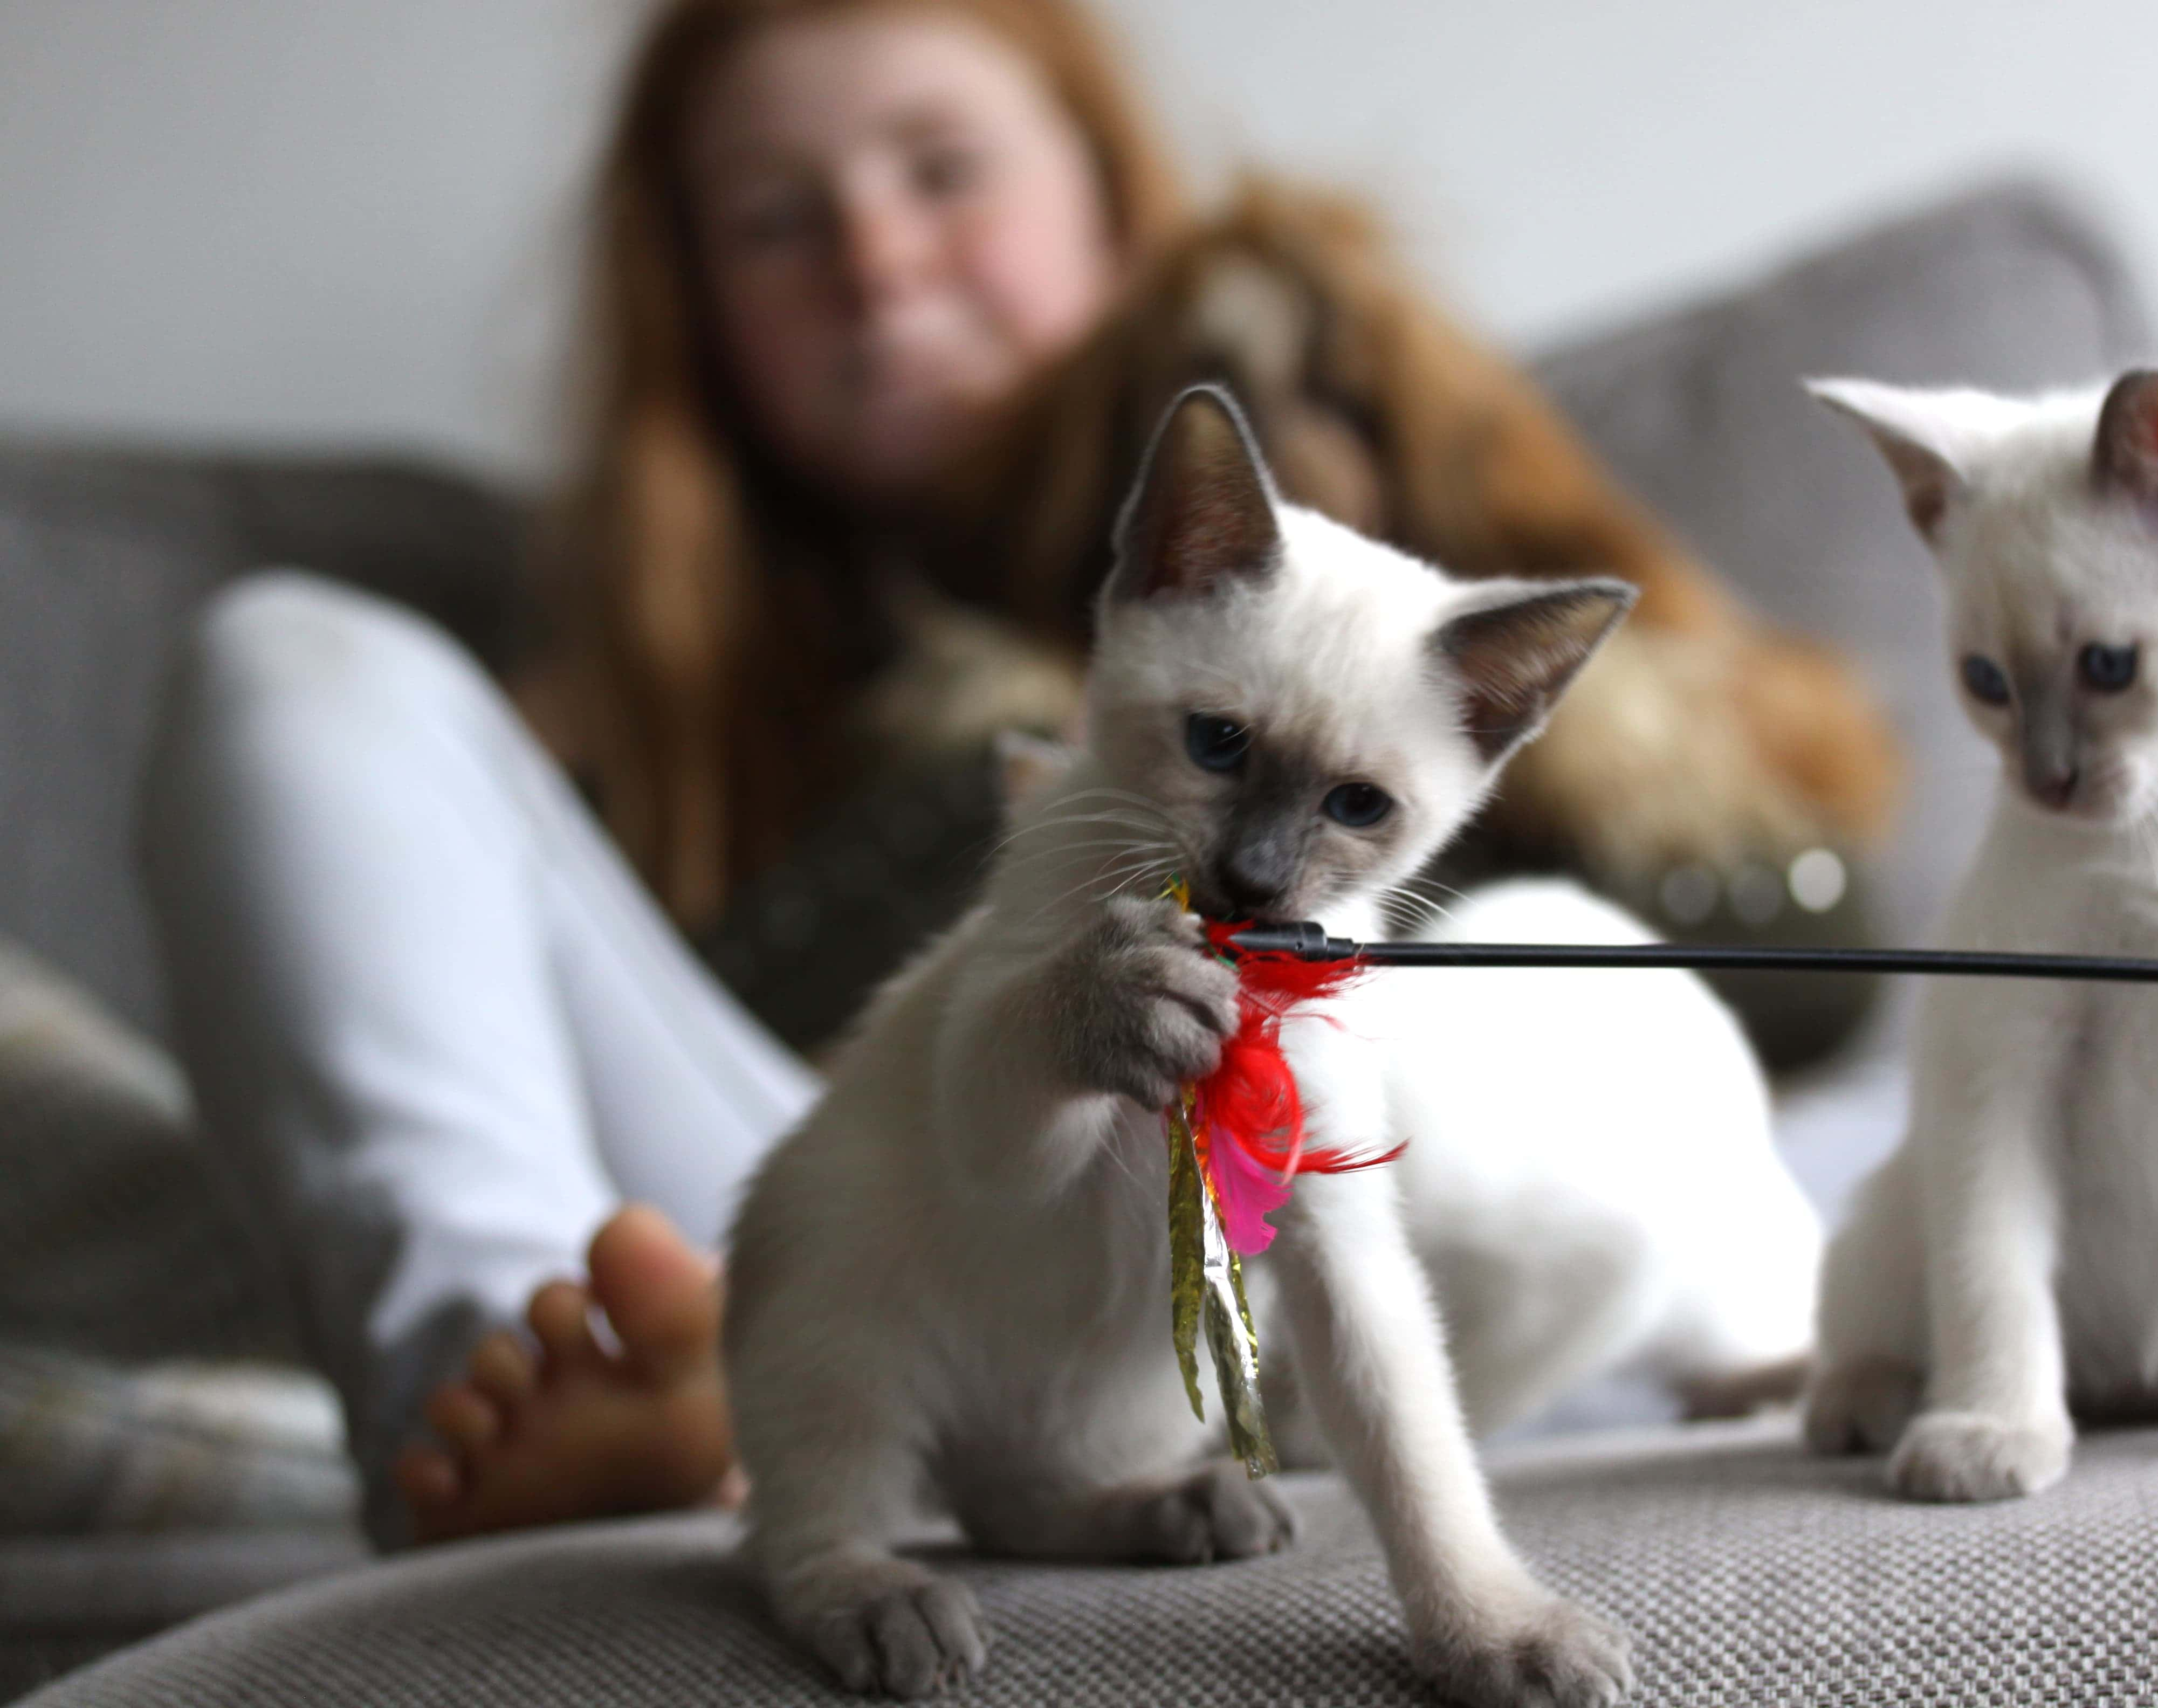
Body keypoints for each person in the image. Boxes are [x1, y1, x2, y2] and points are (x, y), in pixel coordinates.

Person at [141, 0, 1896, 1549]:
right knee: (295, 665)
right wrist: (1037, 865)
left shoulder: (1355, 454)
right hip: (875, 1199)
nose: (875, 256)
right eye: (775, 220)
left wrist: (1297, 917)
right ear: (694, 299)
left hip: (1309, 1191)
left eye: (942, 167)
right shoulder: (660, 663)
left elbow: (1808, 930)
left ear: (1103, 184)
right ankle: (530, 1388)